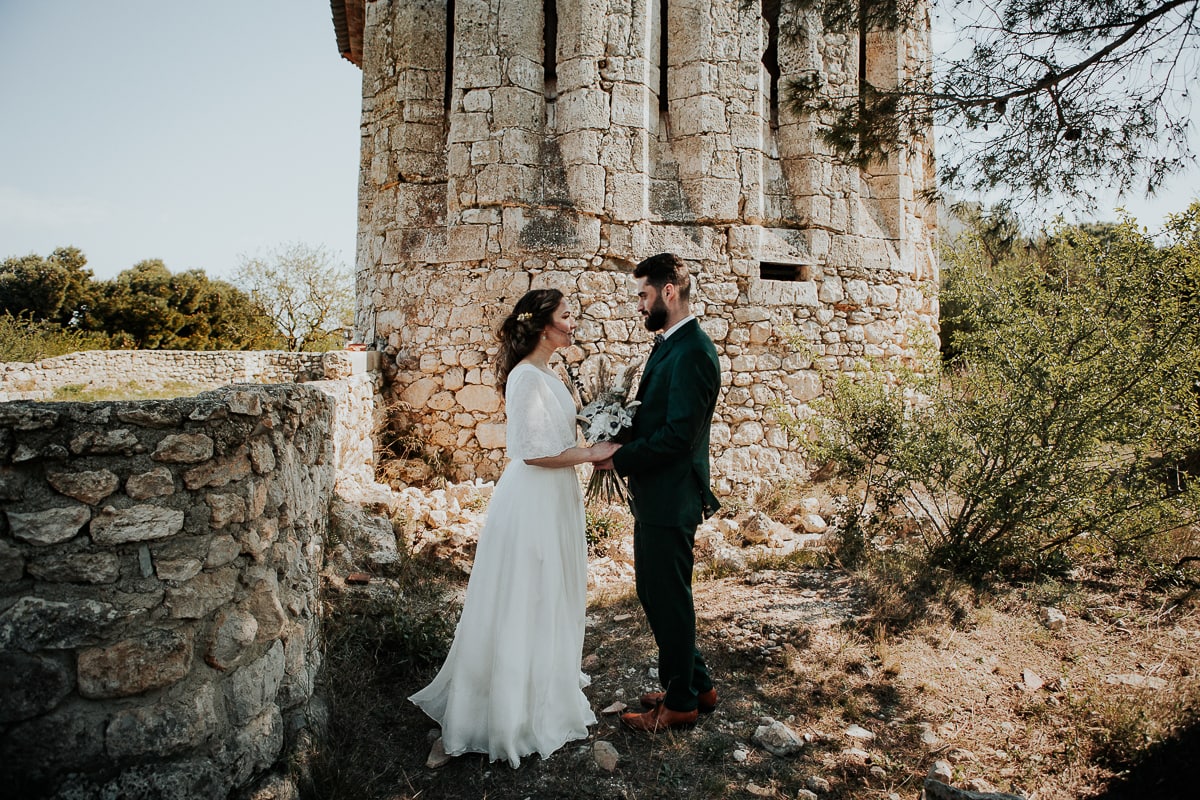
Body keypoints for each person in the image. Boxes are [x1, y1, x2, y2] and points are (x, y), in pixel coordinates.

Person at [409, 288, 618, 767]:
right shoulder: (525, 377)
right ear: (544, 326)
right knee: (529, 592)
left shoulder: (549, 372)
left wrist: (602, 433)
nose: (573, 322)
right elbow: (532, 451)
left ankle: (544, 685)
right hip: (532, 500)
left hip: (556, 495)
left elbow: (557, 435)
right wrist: (591, 453)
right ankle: (508, 711)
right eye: (567, 315)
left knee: (551, 591)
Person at [597, 252, 723, 732]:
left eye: (643, 295)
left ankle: (681, 703)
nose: (639, 305)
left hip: (672, 496)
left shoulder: (693, 352)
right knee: (654, 592)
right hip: (655, 494)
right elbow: (656, 419)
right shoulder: (672, 345)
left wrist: (620, 457)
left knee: (668, 597)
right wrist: (614, 432)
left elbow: (678, 437)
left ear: (669, 291)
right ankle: (696, 685)